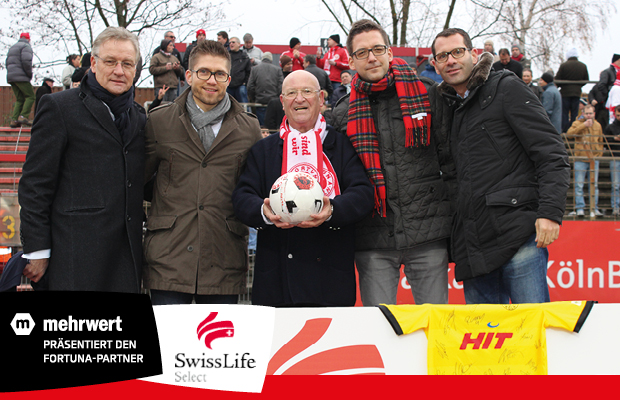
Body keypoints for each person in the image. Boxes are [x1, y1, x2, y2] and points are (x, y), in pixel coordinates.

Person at [431, 27, 570, 304]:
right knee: (483, 332)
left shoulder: (506, 88)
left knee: (530, 328)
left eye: (457, 52)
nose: (451, 60)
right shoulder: (444, 105)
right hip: (472, 247)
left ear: (473, 54)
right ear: (435, 65)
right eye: (443, 56)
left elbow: (551, 153)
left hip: (518, 237)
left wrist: (550, 212)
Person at [331, 19, 454, 306]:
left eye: (377, 49)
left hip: (427, 234)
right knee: (380, 326)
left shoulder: (427, 94)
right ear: (351, 61)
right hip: (373, 237)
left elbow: (450, 160)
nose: (372, 58)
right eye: (362, 52)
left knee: (433, 325)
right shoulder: (342, 112)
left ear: (389, 51)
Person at [18, 27, 146, 292]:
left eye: (127, 64)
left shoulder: (139, 117)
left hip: (126, 259)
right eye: (110, 62)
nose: (119, 71)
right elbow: (35, 184)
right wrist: (37, 249)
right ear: (94, 64)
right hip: (73, 258)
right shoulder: (59, 108)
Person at [231, 70, 374, 307]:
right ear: (282, 101)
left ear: (321, 99)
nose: (299, 99)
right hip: (277, 278)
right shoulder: (263, 150)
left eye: (307, 91)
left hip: (330, 277)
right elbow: (242, 197)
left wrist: (332, 209)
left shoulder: (341, 145)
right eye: (291, 93)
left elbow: (362, 193)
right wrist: (263, 211)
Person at [143, 40, 262, 305]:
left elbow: (251, 189)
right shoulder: (159, 121)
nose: (211, 80)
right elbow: (140, 181)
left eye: (220, 74)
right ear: (188, 75)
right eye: (204, 72)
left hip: (223, 258)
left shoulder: (248, 128)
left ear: (228, 79)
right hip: (169, 258)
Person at [566, 104, 604, 217]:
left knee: (594, 185)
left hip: (593, 158)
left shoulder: (597, 125)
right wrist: (583, 125)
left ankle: (594, 208)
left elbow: (600, 140)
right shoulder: (577, 123)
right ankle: (580, 208)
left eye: (590, 113)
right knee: (579, 185)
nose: (588, 116)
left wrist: (599, 153)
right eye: (586, 113)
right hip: (580, 158)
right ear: (583, 113)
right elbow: (569, 134)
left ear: (594, 114)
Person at [555, 48, 589, 133]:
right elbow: (586, 79)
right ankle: (574, 129)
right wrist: (578, 86)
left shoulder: (564, 65)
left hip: (565, 93)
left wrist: (560, 85)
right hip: (577, 93)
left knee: (564, 113)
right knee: (575, 113)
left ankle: (565, 130)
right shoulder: (583, 66)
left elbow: (558, 79)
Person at [6, 32, 35, 128]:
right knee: (30, 96)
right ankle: (23, 116)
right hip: (21, 76)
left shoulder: (12, 47)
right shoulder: (26, 46)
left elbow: (7, 62)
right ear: (28, 39)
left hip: (11, 77)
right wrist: (29, 74)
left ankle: (14, 120)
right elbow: (26, 61)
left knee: (20, 99)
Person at [247, 52, 283, 126]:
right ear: (271, 60)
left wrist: (254, 98)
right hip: (274, 101)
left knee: (262, 127)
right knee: (273, 127)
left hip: (260, 101)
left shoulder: (254, 69)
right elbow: (281, 87)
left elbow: (250, 86)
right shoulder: (277, 70)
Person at [590, 54, 620, 130]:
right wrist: (608, 94)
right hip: (608, 103)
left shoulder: (615, 71)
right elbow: (601, 85)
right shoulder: (607, 72)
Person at [605, 107, 620, 216]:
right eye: (618, 115)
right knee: (615, 185)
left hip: (615, 158)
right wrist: (614, 139)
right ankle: (615, 207)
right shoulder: (610, 127)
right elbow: (605, 142)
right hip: (614, 157)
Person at [227, 37, 251, 103]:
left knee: (243, 97)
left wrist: (245, 82)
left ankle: (245, 110)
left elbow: (248, 71)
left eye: (233, 42)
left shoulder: (244, 56)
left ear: (239, 44)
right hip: (228, 85)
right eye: (230, 43)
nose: (231, 44)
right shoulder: (226, 56)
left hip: (240, 86)